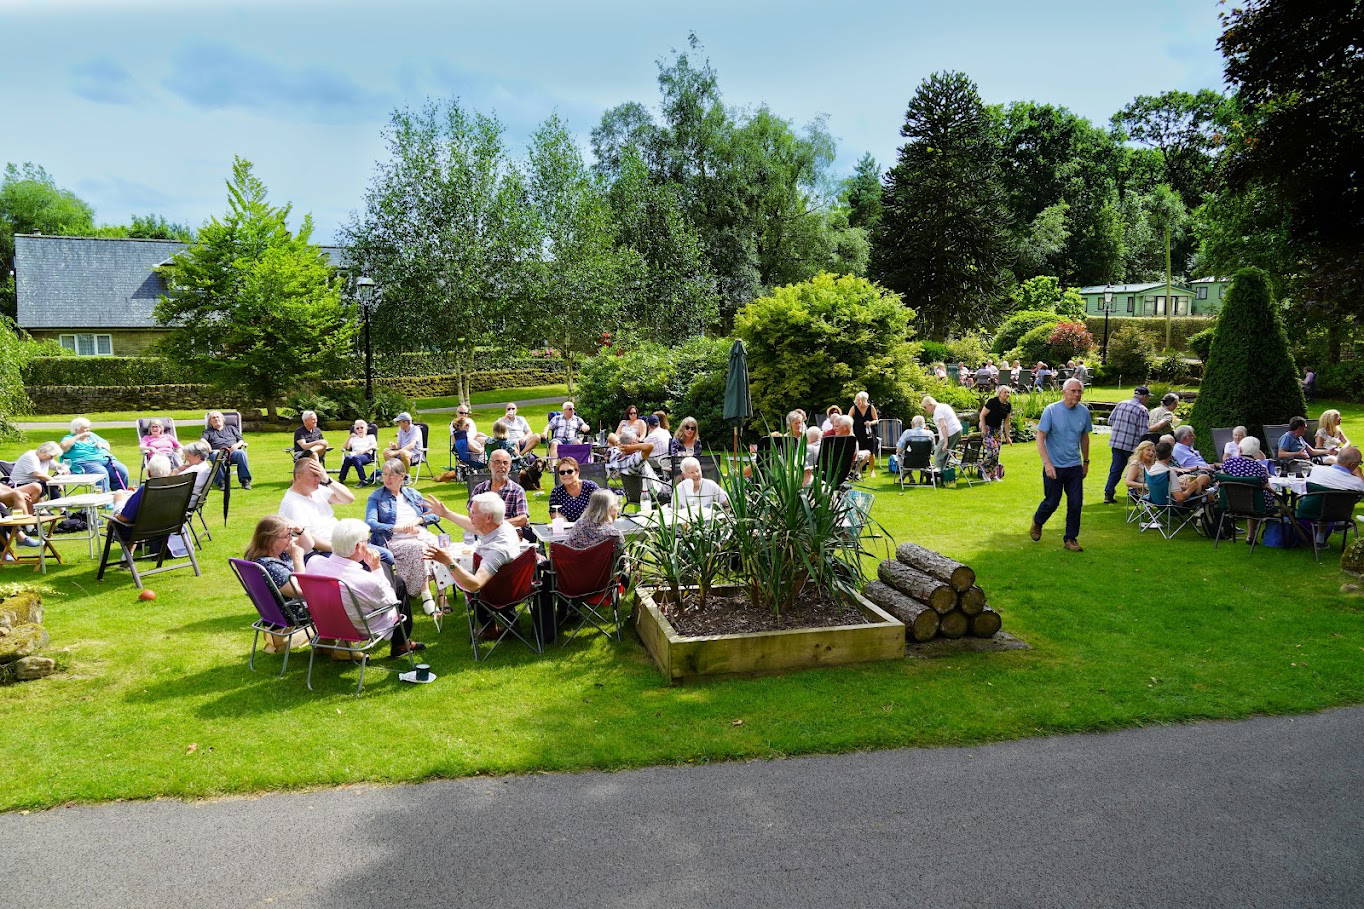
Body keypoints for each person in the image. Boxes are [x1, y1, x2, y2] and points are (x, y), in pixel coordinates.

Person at [305, 518, 423, 658]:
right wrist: (376, 568)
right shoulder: (365, 580)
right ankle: (401, 645)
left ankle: (331, 642)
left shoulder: (314, 563)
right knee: (399, 585)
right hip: (360, 627)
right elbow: (391, 602)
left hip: (325, 623)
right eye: (367, 540)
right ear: (357, 546)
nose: (368, 543)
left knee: (395, 580)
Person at [423, 492, 528, 641]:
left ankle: (490, 629)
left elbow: (475, 585)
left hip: (498, 595)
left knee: (465, 579)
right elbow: (472, 526)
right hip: (512, 586)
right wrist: (446, 513)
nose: (469, 515)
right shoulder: (502, 526)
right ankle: (503, 624)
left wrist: (448, 562)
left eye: (473, 512)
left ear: (488, 517)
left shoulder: (497, 549)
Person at [365, 458, 443, 615]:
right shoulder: (377, 497)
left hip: (419, 534)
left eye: (392, 475)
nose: (387, 478)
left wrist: (418, 520)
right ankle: (427, 595)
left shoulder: (412, 494)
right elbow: (370, 522)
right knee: (419, 549)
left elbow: (435, 514)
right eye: (384, 474)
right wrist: (396, 528)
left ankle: (442, 595)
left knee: (439, 546)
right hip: (393, 540)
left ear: (402, 476)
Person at [1029, 378, 1091, 552]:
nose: (1077, 394)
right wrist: (1047, 463)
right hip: (1054, 466)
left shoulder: (1084, 412)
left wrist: (1086, 461)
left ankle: (1070, 539)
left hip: (1074, 466)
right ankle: (1038, 521)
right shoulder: (1051, 410)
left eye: (1079, 391)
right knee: (1052, 502)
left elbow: (1084, 437)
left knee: (1076, 504)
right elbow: (1040, 437)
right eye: (1073, 391)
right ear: (1064, 392)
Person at [279, 455, 356, 553]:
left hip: (343, 541)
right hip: (323, 551)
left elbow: (348, 499)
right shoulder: (292, 503)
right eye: (314, 475)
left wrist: (328, 480)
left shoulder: (318, 490)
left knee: (375, 552)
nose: (319, 479)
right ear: (298, 476)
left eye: (320, 474)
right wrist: (341, 550)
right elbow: (309, 538)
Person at [243, 514, 313, 613]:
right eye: (287, 536)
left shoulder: (277, 552)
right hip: (295, 612)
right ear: (270, 540)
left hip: (288, 609)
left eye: (291, 534)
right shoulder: (270, 566)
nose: (291, 538)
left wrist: (300, 530)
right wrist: (297, 559)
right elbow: (300, 591)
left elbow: (308, 546)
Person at [1103, 386, 1151, 504]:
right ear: (1144, 397)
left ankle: (1108, 493)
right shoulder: (1142, 410)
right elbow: (1143, 433)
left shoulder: (1121, 404)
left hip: (1116, 443)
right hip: (1132, 446)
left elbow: (1110, 421)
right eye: (1148, 397)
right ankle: (1136, 494)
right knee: (1136, 470)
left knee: (1115, 469)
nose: (1148, 400)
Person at [60, 417, 130, 491]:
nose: (88, 430)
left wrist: (101, 445)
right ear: (76, 429)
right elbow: (63, 447)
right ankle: (104, 497)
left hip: (105, 459)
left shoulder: (92, 436)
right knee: (102, 473)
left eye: (88, 427)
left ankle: (120, 493)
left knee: (122, 470)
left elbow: (107, 445)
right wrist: (78, 436)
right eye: (85, 428)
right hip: (85, 463)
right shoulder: (69, 438)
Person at [468, 449, 529, 531]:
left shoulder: (517, 491)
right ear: (489, 465)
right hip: (482, 534)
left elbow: (522, 519)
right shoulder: (479, 489)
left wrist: (495, 525)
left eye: (505, 463)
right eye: (497, 462)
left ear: (510, 467)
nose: (501, 466)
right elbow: (471, 515)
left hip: (508, 534)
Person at [203, 410, 252, 489]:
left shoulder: (231, 428)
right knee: (216, 455)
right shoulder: (208, 432)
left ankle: (245, 481)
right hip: (218, 452)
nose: (216, 419)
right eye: (213, 418)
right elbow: (202, 440)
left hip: (232, 452)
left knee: (241, 453)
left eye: (218, 417)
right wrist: (207, 445)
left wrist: (237, 445)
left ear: (222, 419)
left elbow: (241, 440)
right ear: (210, 422)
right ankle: (222, 482)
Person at [978, 385, 1012, 482]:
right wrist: (983, 428)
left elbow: (1006, 422)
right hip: (988, 428)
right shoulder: (992, 402)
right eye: (1005, 392)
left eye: (1008, 392)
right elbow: (982, 415)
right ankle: (984, 470)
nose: (1007, 394)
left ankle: (993, 475)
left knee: (997, 453)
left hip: (997, 430)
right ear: (999, 393)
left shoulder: (1008, 405)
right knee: (993, 451)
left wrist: (1008, 436)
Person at [547, 456, 598, 522]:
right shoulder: (556, 492)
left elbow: (603, 506)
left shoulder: (591, 487)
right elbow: (554, 512)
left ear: (577, 472)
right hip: (567, 526)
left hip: (591, 524)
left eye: (569, 471)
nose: (565, 474)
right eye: (562, 472)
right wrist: (566, 525)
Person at [922, 395, 962, 474]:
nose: (925, 410)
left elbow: (943, 426)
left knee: (938, 455)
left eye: (925, 407)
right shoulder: (944, 406)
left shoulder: (937, 411)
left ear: (930, 404)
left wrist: (946, 442)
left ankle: (938, 475)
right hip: (957, 430)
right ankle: (945, 474)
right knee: (945, 455)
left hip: (950, 433)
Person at [339, 419, 378, 487]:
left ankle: (363, 480)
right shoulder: (353, 438)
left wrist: (364, 450)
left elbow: (374, 445)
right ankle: (341, 479)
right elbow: (346, 447)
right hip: (354, 455)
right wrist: (350, 437)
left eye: (362, 427)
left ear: (366, 429)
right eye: (357, 428)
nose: (360, 429)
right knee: (348, 458)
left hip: (366, 455)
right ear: (355, 430)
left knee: (355, 458)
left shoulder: (370, 437)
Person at [850, 392, 879, 472]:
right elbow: (848, 419)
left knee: (871, 452)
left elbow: (876, 420)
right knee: (858, 452)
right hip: (857, 433)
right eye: (856, 401)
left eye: (859, 401)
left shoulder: (871, 407)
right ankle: (859, 469)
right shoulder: (854, 408)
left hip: (869, 434)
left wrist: (870, 423)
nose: (857, 403)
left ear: (864, 400)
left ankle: (872, 470)